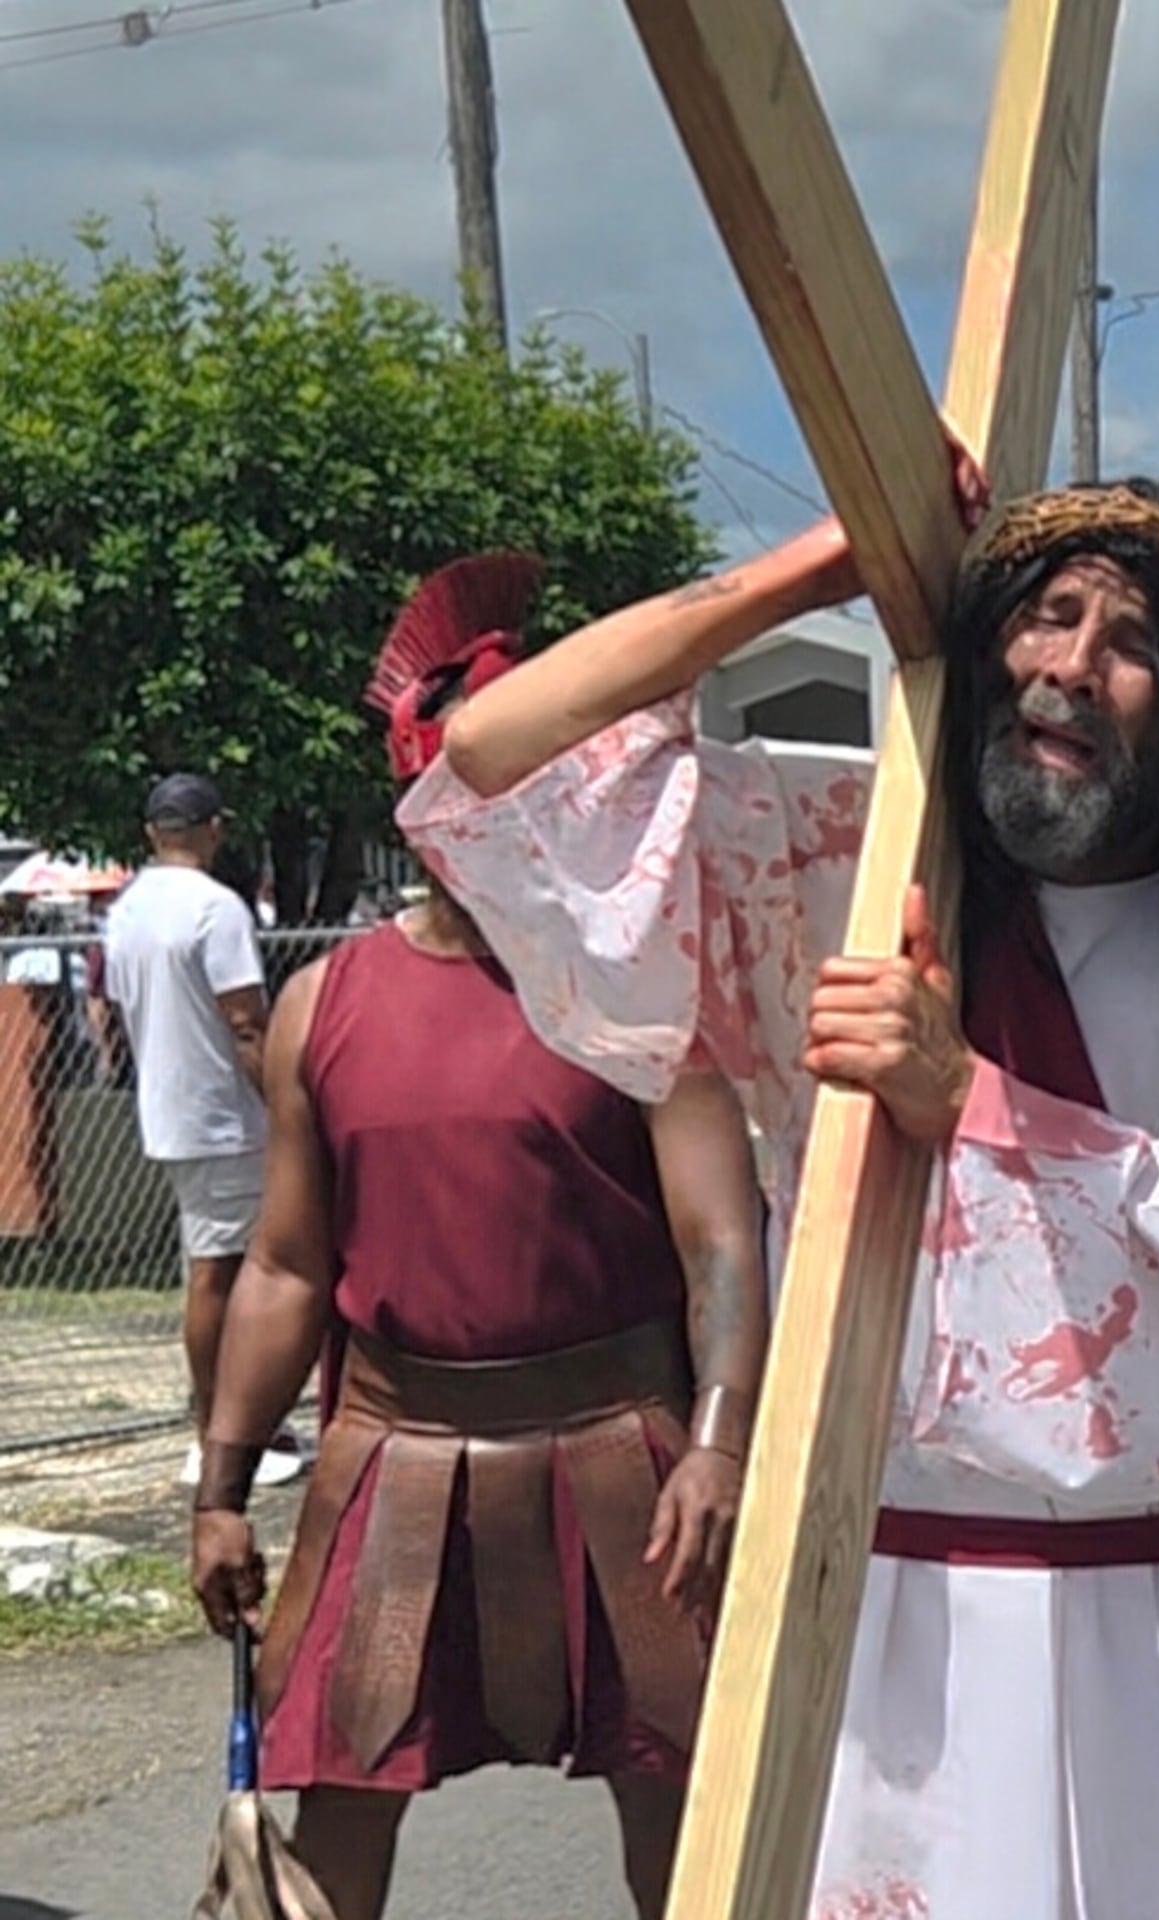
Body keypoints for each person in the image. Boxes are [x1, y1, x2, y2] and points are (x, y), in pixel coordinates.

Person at [397, 480, 1159, 1918]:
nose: (1069, 662)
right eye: (1045, 613)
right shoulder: (840, 867)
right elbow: (496, 759)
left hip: (1154, 1645)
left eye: (1129, 638)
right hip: (871, 1633)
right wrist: (824, 565)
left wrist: (978, 1107)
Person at [187, 556, 771, 1920]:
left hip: (630, 1452)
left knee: (693, 1817)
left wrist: (724, 1440)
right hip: (388, 1454)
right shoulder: (324, 1001)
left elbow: (722, 1244)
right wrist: (219, 1488)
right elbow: (283, 1268)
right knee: (329, 1816)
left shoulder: (639, 987)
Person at [100, 772, 302, 1488]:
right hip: (225, 1113)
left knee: (229, 1265)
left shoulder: (126, 910)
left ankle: (241, 1420)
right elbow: (247, 1022)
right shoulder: (216, 910)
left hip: (171, 1103)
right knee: (223, 1272)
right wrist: (288, 1105)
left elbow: (117, 1008)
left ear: (154, 832)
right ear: (213, 828)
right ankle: (219, 1433)